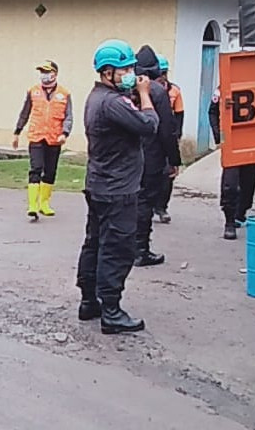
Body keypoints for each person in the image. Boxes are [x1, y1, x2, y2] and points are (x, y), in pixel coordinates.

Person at [75, 39, 159, 334]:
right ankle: (111, 310)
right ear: (108, 72)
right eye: (125, 69)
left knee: (95, 243)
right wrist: (146, 95)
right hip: (118, 189)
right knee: (117, 249)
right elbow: (149, 126)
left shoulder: (96, 97)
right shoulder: (113, 102)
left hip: (99, 184)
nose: (131, 74)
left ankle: (89, 301)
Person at [133, 46, 181, 266]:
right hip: (152, 155)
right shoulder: (158, 92)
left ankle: (126, 246)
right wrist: (174, 160)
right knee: (145, 202)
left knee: (128, 201)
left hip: (128, 156)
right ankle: (140, 249)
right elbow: (166, 130)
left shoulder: (124, 89)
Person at [13, 60, 73, 220]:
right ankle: (32, 205)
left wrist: (65, 133)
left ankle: (44, 203)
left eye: (47, 72)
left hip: (54, 138)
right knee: (36, 168)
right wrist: (17, 132)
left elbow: (68, 117)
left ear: (55, 73)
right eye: (42, 72)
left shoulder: (64, 94)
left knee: (50, 171)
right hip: (36, 136)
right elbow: (25, 112)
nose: (44, 75)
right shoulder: (33, 91)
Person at [209, 87, 255, 240]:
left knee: (249, 180)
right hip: (231, 142)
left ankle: (241, 213)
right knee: (230, 183)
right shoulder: (223, 88)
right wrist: (219, 136)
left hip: (253, 141)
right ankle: (229, 221)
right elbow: (212, 112)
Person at [154, 54, 184, 224]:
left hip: (167, 136)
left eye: (164, 72)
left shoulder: (174, 91)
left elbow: (179, 115)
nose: (162, 75)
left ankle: (162, 207)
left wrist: (176, 138)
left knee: (168, 174)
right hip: (150, 136)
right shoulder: (144, 89)